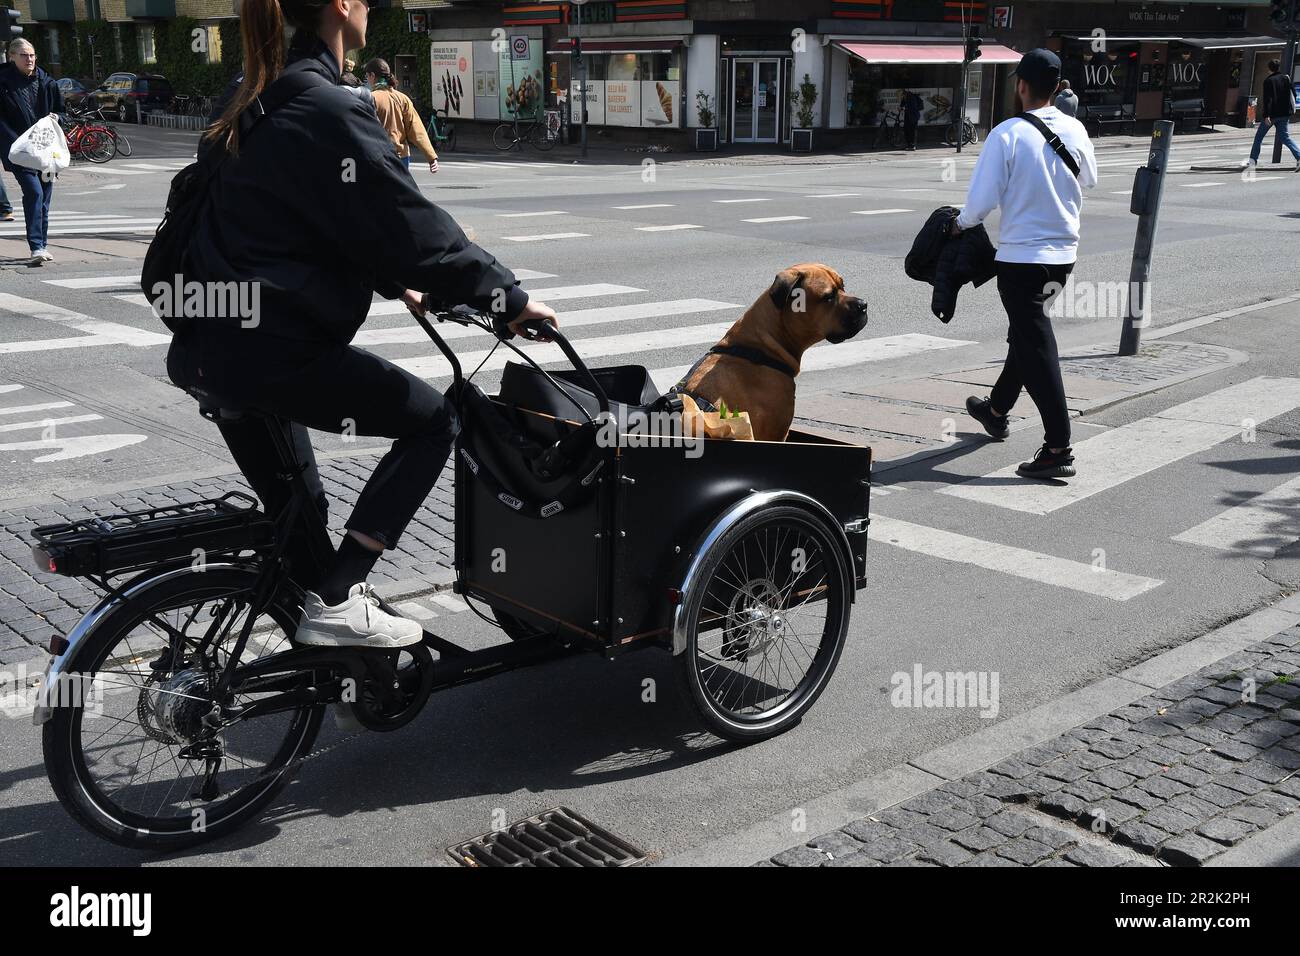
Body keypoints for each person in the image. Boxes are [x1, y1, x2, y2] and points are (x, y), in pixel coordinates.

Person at [167, 0, 557, 648]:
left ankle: (339, 674)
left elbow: (291, 224)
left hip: (206, 346)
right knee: (435, 421)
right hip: (272, 349)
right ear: (343, 8)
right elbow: (411, 226)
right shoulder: (329, 105)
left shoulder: (245, 97)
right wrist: (506, 299)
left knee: (303, 516)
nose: (372, 9)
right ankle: (344, 597)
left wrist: (389, 280)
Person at [952, 48, 1098, 480]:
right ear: (1057, 88)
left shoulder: (1008, 133)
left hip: (1020, 259)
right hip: (1063, 258)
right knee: (1027, 333)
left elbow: (981, 200)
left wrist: (959, 225)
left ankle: (1058, 446)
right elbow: (1089, 178)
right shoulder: (1074, 129)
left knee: (1035, 343)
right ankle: (996, 410)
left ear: (1021, 85)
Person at [0, 38, 64, 263]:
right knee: (34, 193)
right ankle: (36, 246)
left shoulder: (47, 82)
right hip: (20, 151)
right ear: (12, 57)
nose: (30, 59)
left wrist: (57, 117)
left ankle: (42, 245)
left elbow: (62, 112)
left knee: (44, 199)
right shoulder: (3, 82)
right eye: (24, 55)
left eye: (33, 55)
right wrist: (13, 143)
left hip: (46, 152)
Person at [364, 58, 438, 175]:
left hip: (379, 156)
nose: (367, 80)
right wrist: (431, 156)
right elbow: (416, 129)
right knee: (399, 192)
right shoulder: (402, 98)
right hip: (402, 157)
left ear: (372, 75)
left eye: (367, 76)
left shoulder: (371, 98)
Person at [1244, 60, 1300, 171]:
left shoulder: (1268, 81)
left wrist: (1266, 115)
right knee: (1285, 138)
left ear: (1269, 69)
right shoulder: (1286, 78)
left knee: (1259, 137)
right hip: (1285, 114)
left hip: (1272, 115)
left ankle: (1253, 161)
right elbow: (1294, 93)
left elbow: (1268, 99)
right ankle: (1299, 157)